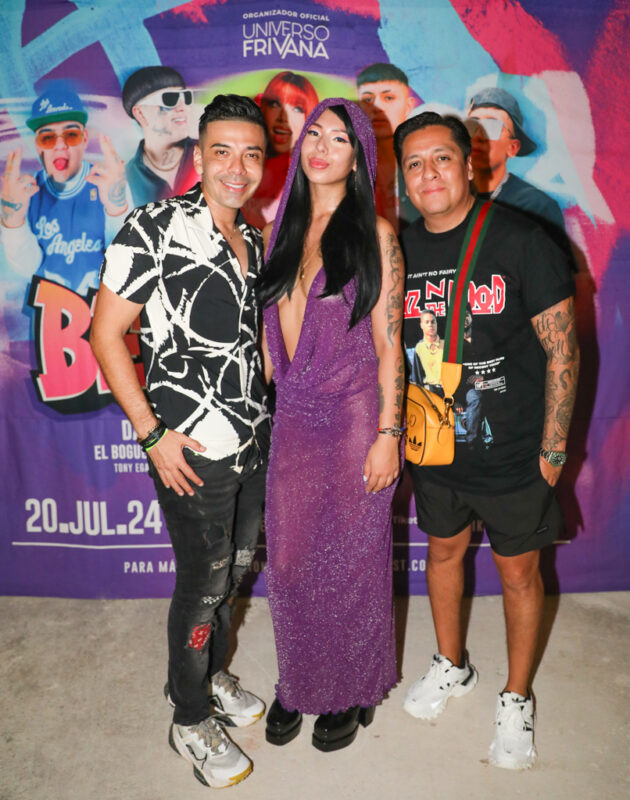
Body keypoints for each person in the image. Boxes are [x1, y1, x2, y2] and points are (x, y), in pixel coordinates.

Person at [90, 94, 271, 789]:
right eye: (222, 151)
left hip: (251, 441)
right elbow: (105, 335)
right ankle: (188, 716)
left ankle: (211, 673)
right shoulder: (154, 227)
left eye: (252, 154)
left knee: (235, 574)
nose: (237, 167)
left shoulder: (252, 238)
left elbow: (249, 344)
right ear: (199, 156)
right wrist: (153, 435)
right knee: (202, 586)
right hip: (190, 451)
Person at [394, 111, 579, 769]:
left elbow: (563, 351)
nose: (429, 174)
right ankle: (452, 663)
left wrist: (553, 451)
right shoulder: (399, 251)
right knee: (442, 554)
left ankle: (517, 695)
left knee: (519, 574)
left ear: (469, 163)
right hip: (436, 448)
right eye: (414, 164)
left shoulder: (524, 240)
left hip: (514, 452)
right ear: (404, 179)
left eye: (442, 158)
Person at [256, 98, 404, 752]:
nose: (320, 147)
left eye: (338, 139)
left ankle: (350, 688)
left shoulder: (375, 234)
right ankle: (299, 679)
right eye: (314, 133)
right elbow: (270, 335)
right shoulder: (278, 231)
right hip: (293, 413)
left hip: (353, 414)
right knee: (289, 561)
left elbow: (391, 344)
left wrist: (389, 435)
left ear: (359, 157)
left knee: (351, 560)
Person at [0, 84, 128, 295]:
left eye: (70, 135)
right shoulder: (24, 193)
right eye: (48, 138)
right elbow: (27, 269)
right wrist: (13, 221)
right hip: (47, 310)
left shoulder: (107, 183)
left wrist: (117, 208)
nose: (60, 145)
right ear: (38, 145)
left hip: (102, 308)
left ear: (84, 140)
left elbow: (124, 262)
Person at [465, 87, 569, 255]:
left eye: (492, 126)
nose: (478, 135)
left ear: (512, 148)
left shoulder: (537, 208)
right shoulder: (442, 199)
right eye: (472, 125)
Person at [244, 71, 319, 229]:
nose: (283, 118)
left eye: (297, 109)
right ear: (263, 108)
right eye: (275, 104)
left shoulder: (315, 178)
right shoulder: (240, 163)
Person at [122, 66, 198, 208]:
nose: (182, 107)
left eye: (186, 97)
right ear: (140, 113)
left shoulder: (209, 155)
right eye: (170, 99)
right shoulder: (127, 177)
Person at [356, 62, 419, 232]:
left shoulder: (422, 167)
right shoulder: (349, 168)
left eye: (388, 98)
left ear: (408, 107)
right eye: (368, 99)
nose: (378, 108)